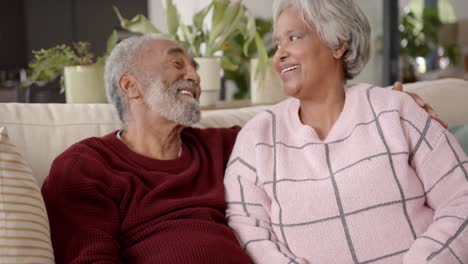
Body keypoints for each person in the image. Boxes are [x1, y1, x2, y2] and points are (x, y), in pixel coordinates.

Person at [41, 35, 442, 263]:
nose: (195, 76)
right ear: (130, 86)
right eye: (178, 64)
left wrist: (386, 108)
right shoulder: (86, 167)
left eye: (195, 67)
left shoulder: (227, 146)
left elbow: (311, 124)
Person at [223, 0, 468, 263]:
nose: (278, 56)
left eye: (293, 38)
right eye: (278, 44)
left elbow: (461, 200)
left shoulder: (396, 111)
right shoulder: (256, 137)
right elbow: (249, 230)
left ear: (338, 44)